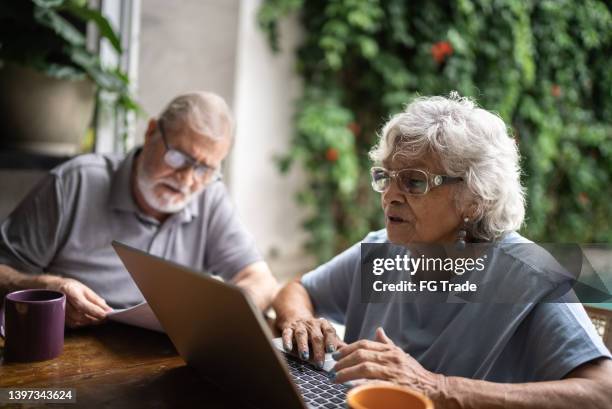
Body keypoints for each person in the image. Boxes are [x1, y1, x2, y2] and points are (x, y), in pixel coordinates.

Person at [274, 93, 612, 408]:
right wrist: (301, 320)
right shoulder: (382, 251)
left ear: (474, 198)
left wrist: (440, 388)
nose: (389, 194)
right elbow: (297, 289)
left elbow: (602, 391)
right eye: (385, 176)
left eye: (413, 181)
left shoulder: (530, 275)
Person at [0, 91, 278, 327]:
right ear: (151, 132)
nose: (187, 179)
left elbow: (260, 281)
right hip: (69, 350)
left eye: (205, 168)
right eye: (178, 157)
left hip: (162, 360)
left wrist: (216, 317)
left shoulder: (210, 196)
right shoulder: (75, 182)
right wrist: (49, 288)